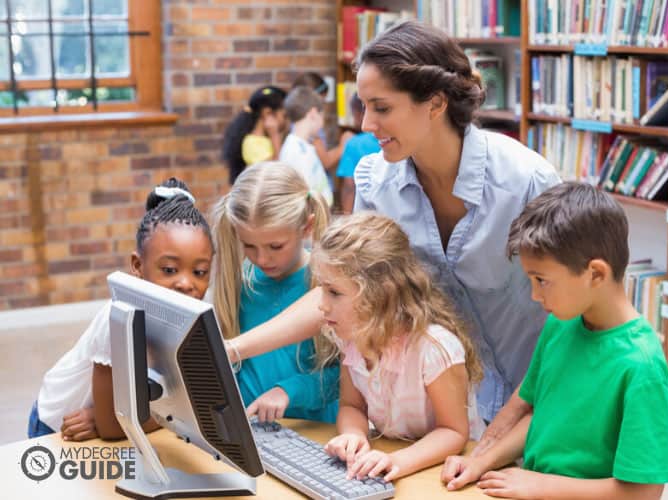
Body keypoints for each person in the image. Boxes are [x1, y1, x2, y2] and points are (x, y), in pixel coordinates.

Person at [227, 20, 560, 452]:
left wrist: (507, 430)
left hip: (530, 417)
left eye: (381, 108)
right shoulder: (376, 184)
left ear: (435, 103)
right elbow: (341, 291)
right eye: (363, 106)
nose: (366, 124)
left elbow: (566, 323)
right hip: (434, 427)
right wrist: (231, 349)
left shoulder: (528, 183)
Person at [441, 183, 668, 498]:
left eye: (542, 281)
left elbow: (643, 493)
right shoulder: (561, 325)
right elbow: (540, 415)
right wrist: (481, 461)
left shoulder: (642, 367)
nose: (536, 296)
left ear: (595, 274)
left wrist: (541, 485)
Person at [29, 179, 214, 440]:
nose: (186, 283)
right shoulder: (120, 317)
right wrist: (180, 418)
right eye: (170, 270)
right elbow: (112, 428)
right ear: (137, 265)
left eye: (200, 272)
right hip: (57, 424)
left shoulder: (195, 316)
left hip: (114, 415)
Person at [313, 213, 485, 481]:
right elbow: (351, 406)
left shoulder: (434, 348)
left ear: (380, 292)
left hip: (453, 473)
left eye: (334, 292)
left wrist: (397, 461)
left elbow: (454, 432)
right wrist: (353, 435)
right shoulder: (353, 338)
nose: (322, 305)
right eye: (322, 290)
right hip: (396, 461)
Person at [211, 162, 338, 423]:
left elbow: (349, 377)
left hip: (314, 432)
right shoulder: (238, 281)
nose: (262, 259)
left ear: (307, 227)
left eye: (276, 246)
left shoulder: (330, 285)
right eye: (249, 246)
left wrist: (290, 390)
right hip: (252, 433)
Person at [279, 86, 334, 206]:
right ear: (313, 113)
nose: (322, 122)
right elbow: (303, 196)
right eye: (322, 115)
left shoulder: (303, 146)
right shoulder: (296, 151)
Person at [222, 85, 287, 184]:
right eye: (284, 115)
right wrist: (275, 135)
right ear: (267, 113)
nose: (286, 121)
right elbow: (275, 171)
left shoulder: (267, 139)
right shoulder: (251, 143)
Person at [292, 72, 354, 173]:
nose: (322, 109)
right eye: (321, 103)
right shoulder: (310, 129)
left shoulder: (296, 123)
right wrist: (344, 146)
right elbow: (326, 162)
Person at [336, 92, 380, 214]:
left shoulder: (353, 144)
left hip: (364, 217)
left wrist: (347, 218)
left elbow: (349, 186)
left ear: (357, 113)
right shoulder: (392, 139)